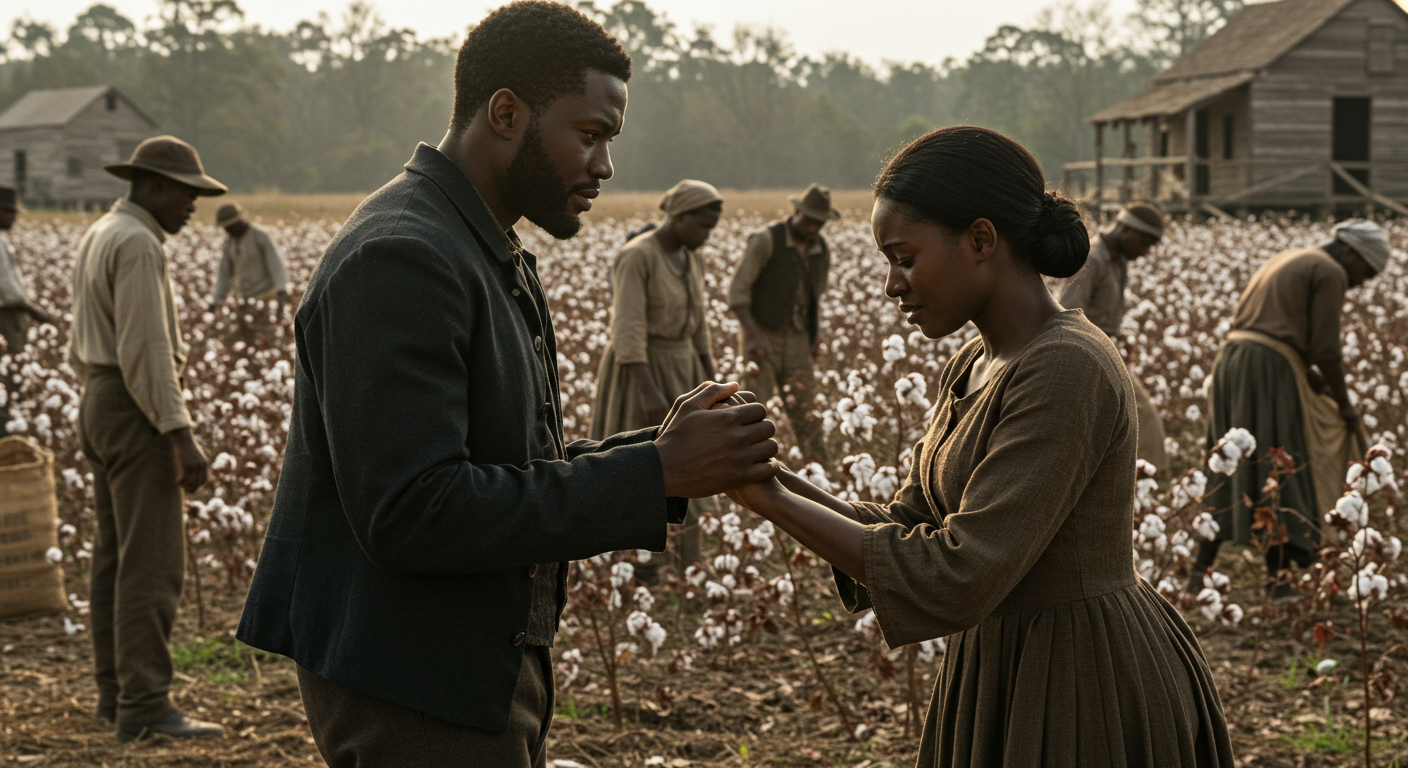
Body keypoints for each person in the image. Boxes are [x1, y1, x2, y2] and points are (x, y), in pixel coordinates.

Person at [235, 4, 777, 767]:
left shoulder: (473, 244)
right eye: (590, 135)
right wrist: (654, 472)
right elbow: (414, 511)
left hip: (456, 667)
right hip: (414, 685)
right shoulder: (402, 256)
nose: (605, 167)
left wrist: (660, 452)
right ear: (506, 112)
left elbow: (504, 461)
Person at [725, 126, 1234, 766]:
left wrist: (768, 498)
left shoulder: (1066, 367)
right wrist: (755, 470)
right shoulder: (976, 360)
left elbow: (961, 572)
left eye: (904, 257)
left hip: (1081, 679)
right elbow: (909, 524)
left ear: (982, 240)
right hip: (1001, 663)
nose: (892, 285)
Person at [70, 135, 227, 741]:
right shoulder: (138, 244)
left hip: (99, 399)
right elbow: (147, 351)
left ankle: (115, 694)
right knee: (151, 565)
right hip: (134, 409)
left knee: (113, 557)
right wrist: (178, 432)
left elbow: (94, 343)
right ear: (155, 187)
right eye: (187, 195)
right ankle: (145, 706)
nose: (193, 206)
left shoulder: (102, 232)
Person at [1194, 219, 1386, 593]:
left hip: (1234, 359)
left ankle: (1198, 569)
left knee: (1228, 462)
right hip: (1268, 369)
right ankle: (1277, 579)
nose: (1361, 283)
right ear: (1350, 252)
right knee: (1277, 461)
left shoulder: (1292, 257)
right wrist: (1346, 405)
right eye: (1365, 273)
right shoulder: (1329, 271)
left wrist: (1310, 375)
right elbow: (1326, 348)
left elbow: (1282, 328)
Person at [591, 179, 723, 570]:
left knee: (693, 463)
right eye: (702, 225)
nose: (707, 235)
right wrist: (648, 392)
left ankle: (688, 568)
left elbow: (699, 326)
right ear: (679, 217)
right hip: (641, 372)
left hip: (683, 367)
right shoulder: (637, 256)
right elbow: (627, 329)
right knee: (641, 464)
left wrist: (715, 383)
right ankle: (638, 570)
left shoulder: (690, 256)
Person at [728, 183, 838, 463]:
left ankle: (819, 469)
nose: (814, 227)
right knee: (752, 405)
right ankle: (740, 464)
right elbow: (737, 293)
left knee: (806, 409)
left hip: (799, 339)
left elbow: (816, 296)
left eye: (819, 223)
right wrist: (752, 336)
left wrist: (814, 336)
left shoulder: (820, 249)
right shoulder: (766, 240)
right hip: (763, 333)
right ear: (796, 212)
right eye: (809, 220)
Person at [1059, 201, 1170, 472]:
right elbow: (1065, 312)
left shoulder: (1116, 260)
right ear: (1125, 231)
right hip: (1087, 355)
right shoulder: (1091, 259)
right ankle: (1146, 480)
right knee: (1142, 419)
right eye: (1144, 243)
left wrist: (1120, 338)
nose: (1145, 253)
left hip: (1103, 350)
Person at [0, 184, 55, 434]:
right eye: (8, 212)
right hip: (5, 318)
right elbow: (10, 294)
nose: (13, 218)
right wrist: (37, 314)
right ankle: (7, 427)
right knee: (11, 370)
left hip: (8, 315)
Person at [206, 201, 291, 328]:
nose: (227, 230)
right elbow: (224, 274)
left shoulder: (260, 236)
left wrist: (280, 300)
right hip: (243, 302)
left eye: (229, 226)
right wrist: (216, 301)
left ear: (238, 221)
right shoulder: (229, 242)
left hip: (265, 301)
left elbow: (277, 267)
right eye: (225, 227)